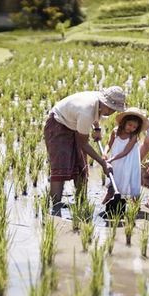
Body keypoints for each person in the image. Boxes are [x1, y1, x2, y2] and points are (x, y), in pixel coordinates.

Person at [44, 86, 127, 214]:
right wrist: (103, 163)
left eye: (114, 110)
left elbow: (96, 114)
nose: (110, 112)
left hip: (75, 122)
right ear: (103, 101)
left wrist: (97, 129)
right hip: (58, 123)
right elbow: (82, 142)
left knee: (81, 165)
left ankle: (81, 202)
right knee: (60, 168)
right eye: (109, 107)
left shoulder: (97, 104)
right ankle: (56, 206)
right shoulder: (86, 111)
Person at [102, 107, 148, 204]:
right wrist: (105, 153)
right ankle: (106, 201)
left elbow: (125, 152)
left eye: (134, 127)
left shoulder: (133, 136)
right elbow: (108, 144)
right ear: (124, 122)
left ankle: (135, 205)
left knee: (130, 181)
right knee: (113, 181)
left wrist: (111, 159)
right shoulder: (115, 131)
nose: (131, 128)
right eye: (129, 125)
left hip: (129, 162)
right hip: (116, 162)